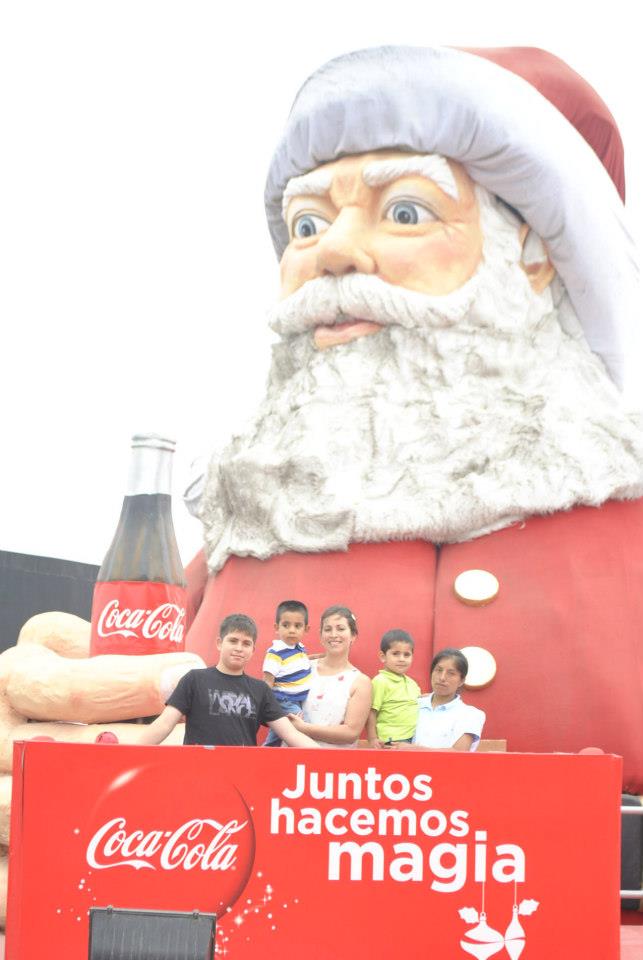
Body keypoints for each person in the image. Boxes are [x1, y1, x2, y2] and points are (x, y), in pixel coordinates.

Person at [184, 46, 643, 793]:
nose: (332, 252)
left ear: (532, 257)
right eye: (306, 225)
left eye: (405, 212)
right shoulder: (233, 537)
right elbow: (139, 707)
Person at [138, 613, 319, 748]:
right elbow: (164, 724)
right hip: (198, 773)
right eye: (233, 641)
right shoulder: (194, 680)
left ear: (253, 650)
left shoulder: (260, 690)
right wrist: (129, 754)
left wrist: (328, 760)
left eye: (246, 643)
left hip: (241, 776)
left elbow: (290, 734)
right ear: (219, 643)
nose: (239, 648)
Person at [288, 606, 371, 748]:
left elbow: (351, 733)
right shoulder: (303, 668)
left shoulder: (360, 682)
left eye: (340, 629)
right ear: (321, 636)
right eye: (327, 629)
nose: (334, 634)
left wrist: (304, 728)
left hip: (332, 761)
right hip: (293, 757)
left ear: (353, 635)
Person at [389, 648, 485, 752]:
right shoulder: (414, 704)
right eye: (438, 670)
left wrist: (414, 749)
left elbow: (459, 753)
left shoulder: (471, 714)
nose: (442, 678)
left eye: (451, 673)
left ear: (461, 681)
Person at [263, 599, 313, 747]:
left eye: (297, 626)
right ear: (276, 627)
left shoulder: (299, 647)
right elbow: (268, 680)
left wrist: (321, 657)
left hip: (296, 699)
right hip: (284, 700)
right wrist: (266, 704)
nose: (292, 630)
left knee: (278, 732)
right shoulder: (275, 653)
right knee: (302, 725)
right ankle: (309, 754)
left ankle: (267, 751)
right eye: (286, 625)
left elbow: (301, 661)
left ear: (306, 629)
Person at [366, 629, 420, 747]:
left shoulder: (413, 684)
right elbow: (371, 712)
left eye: (407, 654)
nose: (402, 659)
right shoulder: (380, 681)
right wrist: (372, 738)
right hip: (391, 740)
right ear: (383, 656)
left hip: (414, 740)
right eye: (395, 654)